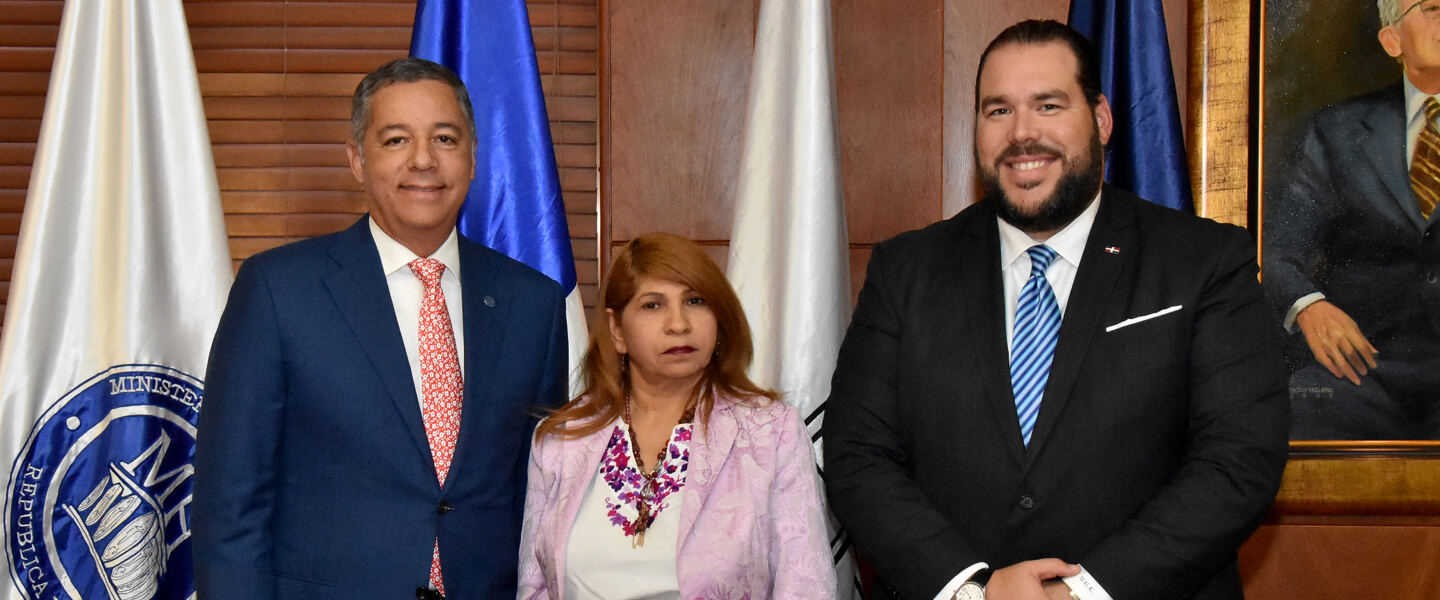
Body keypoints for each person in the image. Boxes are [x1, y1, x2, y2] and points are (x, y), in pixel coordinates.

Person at [823, 20, 1289, 600]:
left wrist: (1083, 593)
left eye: (1048, 105)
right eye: (998, 111)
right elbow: (856, 455)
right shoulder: (906, 270)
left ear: (1100, 119)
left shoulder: (1205, 261)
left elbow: (1238, 459)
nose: (1022, 134)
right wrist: (974, 591)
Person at [192, 58, 569, 600]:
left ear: (472, 159)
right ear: (357, 160)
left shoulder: (533, 303)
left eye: (444, 138)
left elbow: (543, 496)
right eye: (396, 140)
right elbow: (231, 505)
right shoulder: (278, 290)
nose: (423, 160)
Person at [516, 232, 835, 599]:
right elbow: (535, 588)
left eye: (696, 301)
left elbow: (807, 585)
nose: (679, 324)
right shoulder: (560, 439)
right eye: (653, 305)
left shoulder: (770, 433)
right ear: (617, 330)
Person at [1264, 0, 1440, 439]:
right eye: (1434, 7)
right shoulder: (1337, 130)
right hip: (1363, 367)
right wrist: (1310, 307)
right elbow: (1279, 249)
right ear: (1391, 39)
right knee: (1294, 414)